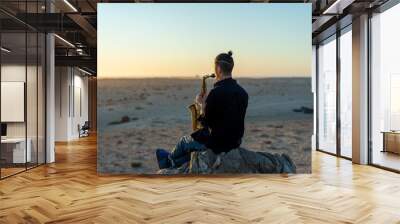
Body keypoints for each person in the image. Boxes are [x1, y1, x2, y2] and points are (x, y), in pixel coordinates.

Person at [155, 51, 295, 173]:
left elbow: (205, 123)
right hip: (234, 143)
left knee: (184, 142)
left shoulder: (215, 93)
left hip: (217, 144)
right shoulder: (243, 93)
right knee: (189, 149)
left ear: (218, 68)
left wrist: (201, 104)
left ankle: (168, 162)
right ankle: (176, 162)